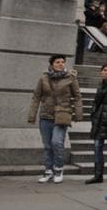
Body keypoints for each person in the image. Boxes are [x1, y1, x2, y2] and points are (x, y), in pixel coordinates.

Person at [27, 54, 82, 184]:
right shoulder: (44, 78)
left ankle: (58, 169)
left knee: (57, 142)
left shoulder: (71, 78)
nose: (61, 64)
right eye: (57, 62)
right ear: (52, 64)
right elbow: (36, 96)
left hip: (62, 115)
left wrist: (78, 113)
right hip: (46, 115)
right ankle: (48, 171)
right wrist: (32, 115)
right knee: (47, 145)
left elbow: (77, 96)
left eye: (63, 62)